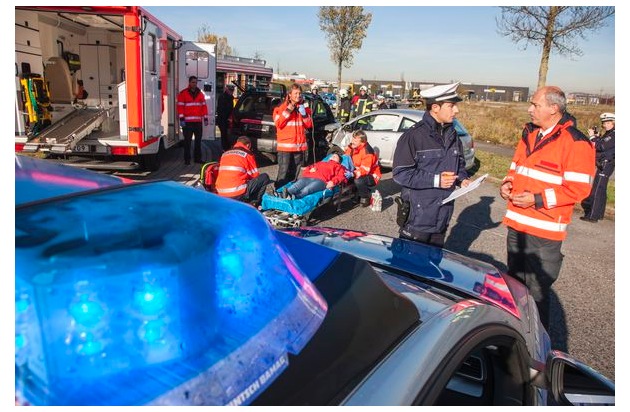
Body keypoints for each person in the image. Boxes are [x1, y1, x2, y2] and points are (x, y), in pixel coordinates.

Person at [499, 86, 595, 328]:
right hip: (517, 224)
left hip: (544, 232)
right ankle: (514, 335)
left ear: (553, 108)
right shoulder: (529, 133)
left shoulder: (576, 142)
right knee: (515, 286)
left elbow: (579, 189)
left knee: (536, 294)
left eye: (535, 105)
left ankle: (538, 346)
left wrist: (537, 199)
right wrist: (507, 183)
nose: (530, 109)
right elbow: (516, 167)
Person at [392, 82, 471, 247]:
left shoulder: (453, 135)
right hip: (418, 219)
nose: (456, 110)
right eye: (451, 106)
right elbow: (401, 174)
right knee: (409, 262)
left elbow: (459, 164)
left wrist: (462, 179)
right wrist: (436, 180)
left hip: (442, 216)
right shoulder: (413, 136)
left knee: (434, 261)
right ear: (435, 107)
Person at [273, 83, 312, 189]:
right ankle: (278, 193)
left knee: (294, 174)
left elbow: (309, 125)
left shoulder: (303, 107)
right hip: (285, 147)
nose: (298, 96)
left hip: (299, 147)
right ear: (289, 94)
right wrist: (289, 110)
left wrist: (304, 114)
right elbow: (278, 123)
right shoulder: (281, 107)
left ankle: (289, 192)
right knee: (283, 173)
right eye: (295, 93)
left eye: (300, 93)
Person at [215, 136, 271, 207]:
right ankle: (253, 204)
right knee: (264, 177)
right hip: (236, 193)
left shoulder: (225, 154)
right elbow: (254, 175)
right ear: (248, 145)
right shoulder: (247, 154)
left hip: (221, 193)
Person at [581, 112, 615, 222]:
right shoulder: (609, 133)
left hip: (606, 163)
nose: (605, 125)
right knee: (601, 189)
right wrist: (597, 137)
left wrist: (592, 137)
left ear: (613, 123)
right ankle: (599, 214)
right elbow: (601, 143)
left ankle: (592, 216)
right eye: (604, 123)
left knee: (597, 189)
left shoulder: (614, 135)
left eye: (608, 123)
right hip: (605, 163)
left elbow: (601, 146)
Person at [279, 153, 347, 200]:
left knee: (307, 189)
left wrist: (333, 182)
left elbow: (341, 176)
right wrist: (309, 170)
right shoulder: (321, 163)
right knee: (296, 185)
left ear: (339, 161)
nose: (333, 156)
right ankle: (283, 194)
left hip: (321, 181)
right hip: (309, 177)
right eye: (332, 155)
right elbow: (308, 169)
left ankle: (294, 197)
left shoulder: (340, 167)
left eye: (335, 156)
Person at [344, 130, 381, 207]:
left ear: (362, 142)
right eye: (353, 139)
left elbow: (365, 169)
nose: (352, 142)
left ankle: (365, 196)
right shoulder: (352, 147)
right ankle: (355, 192)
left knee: (358, 181)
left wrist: (353, 173)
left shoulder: (368, 152)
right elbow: (346, 158)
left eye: (355, 141)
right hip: (357, 171)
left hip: (372, 175)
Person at [177, 76, 209, 165]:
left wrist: (205, 118)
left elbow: (204, 106)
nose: (194, 84)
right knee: (187, 142)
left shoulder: (200, 94)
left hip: (198, 122)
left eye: (195, 82)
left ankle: (197, 159)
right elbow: (180, 107)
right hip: (187, 123)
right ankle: (187, 159)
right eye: (193, 82)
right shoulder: (183, 93)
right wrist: (182, 119)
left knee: (198, 142)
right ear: (189, 82)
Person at [217, 83, 236, 152]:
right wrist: (228, 118)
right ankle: (225, 149)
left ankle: (227, 148)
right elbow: (221, 110)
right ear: (226, 89)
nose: (232, 91)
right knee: (224, 135)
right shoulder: (223, 97)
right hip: (223, 120)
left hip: (227, 120)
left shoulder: (231, 98)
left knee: (227, 136)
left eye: (232, 90)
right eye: (230, 90)